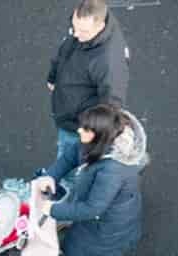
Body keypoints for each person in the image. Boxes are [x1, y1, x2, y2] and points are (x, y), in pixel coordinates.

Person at [39, 103, 146, 256]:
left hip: (106, 226)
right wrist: (52, 175)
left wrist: (51, 209)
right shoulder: (99, 144)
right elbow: (71, 155)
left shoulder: (112, 171)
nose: (79, 131)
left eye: (86, 129)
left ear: (99, 135)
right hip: (106, 219)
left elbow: (92, 209)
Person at [42, 0, 129, 184]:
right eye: (74, 27)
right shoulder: (82, 30)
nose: (77, 35)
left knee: (70, 160)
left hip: (79, 124)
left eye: (84, 32)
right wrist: (53, 76)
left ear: (101, 26)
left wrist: (92, 131)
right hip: (68, 111)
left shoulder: (109, 61)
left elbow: (111, 105)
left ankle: (68, 191)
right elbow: (64, 52)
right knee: (66, 155)